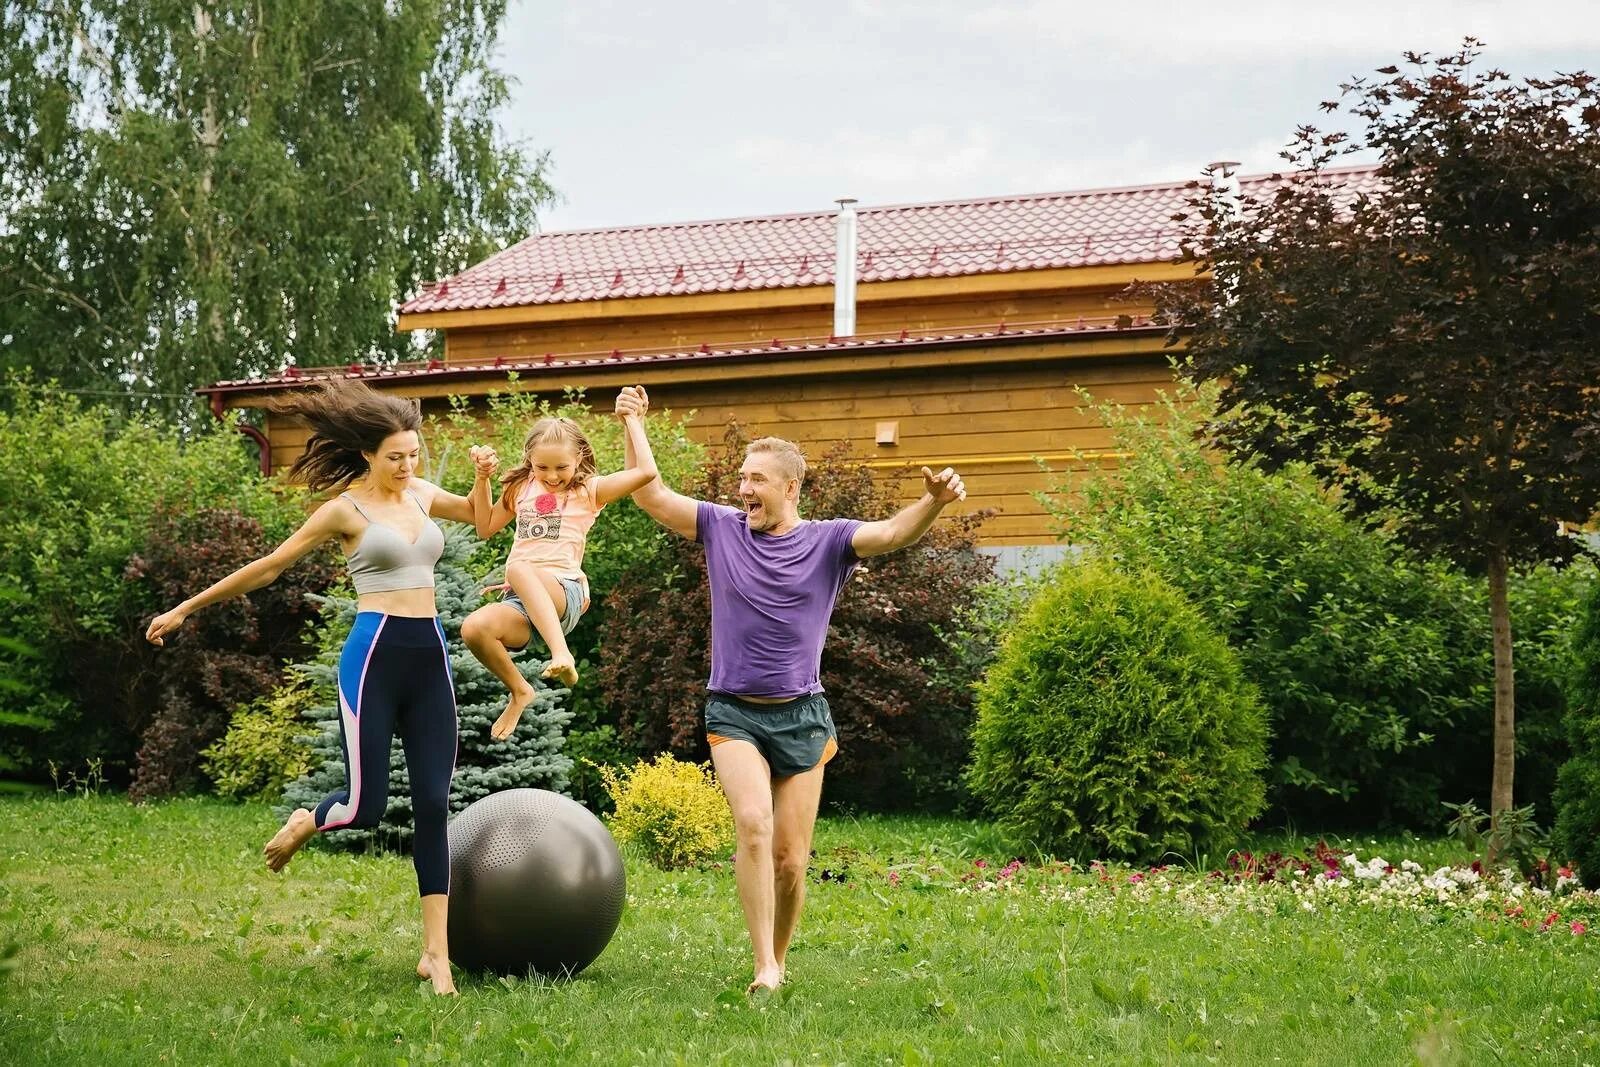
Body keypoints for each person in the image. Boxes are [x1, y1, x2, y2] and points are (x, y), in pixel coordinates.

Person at [613, 385, 966, 993]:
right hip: (734, 712)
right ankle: (763, 967)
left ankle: (779, 957)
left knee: (791, 861)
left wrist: (930, 504)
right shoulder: (722, 529)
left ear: (789, 488)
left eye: (757, 480)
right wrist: (633, 423)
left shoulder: (828, 540)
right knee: (753, 826)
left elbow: (890, 534)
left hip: (803, 715)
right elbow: (653, 496)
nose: (743, 489)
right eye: (742, 478)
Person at [145, 379, 486, 996]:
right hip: (374, 655)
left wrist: (490, 476)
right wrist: (186, 608)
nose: (407, 467)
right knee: (365, 805)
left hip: (430, 654)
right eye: (394, 458)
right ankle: (309, 820)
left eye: (413, 455)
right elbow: (270, 566)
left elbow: (485, 520)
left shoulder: (423, 496)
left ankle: (437, 954)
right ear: (367, 456)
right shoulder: (344, 511)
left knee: (435, 804)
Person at [458, 402, 658, 740]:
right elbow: (485, 526)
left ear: (579, 459)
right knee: (474, 628)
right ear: (529, 461)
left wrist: (633, 422)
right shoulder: (520, 488)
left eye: (561, 467)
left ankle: (560, 652)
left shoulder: (587, 491)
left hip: (565, 592)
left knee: (519, 566)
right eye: (542, 467)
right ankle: (520, 690)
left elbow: (645, 473)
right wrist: (481, 479)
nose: (552, 476)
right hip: (523, 600)